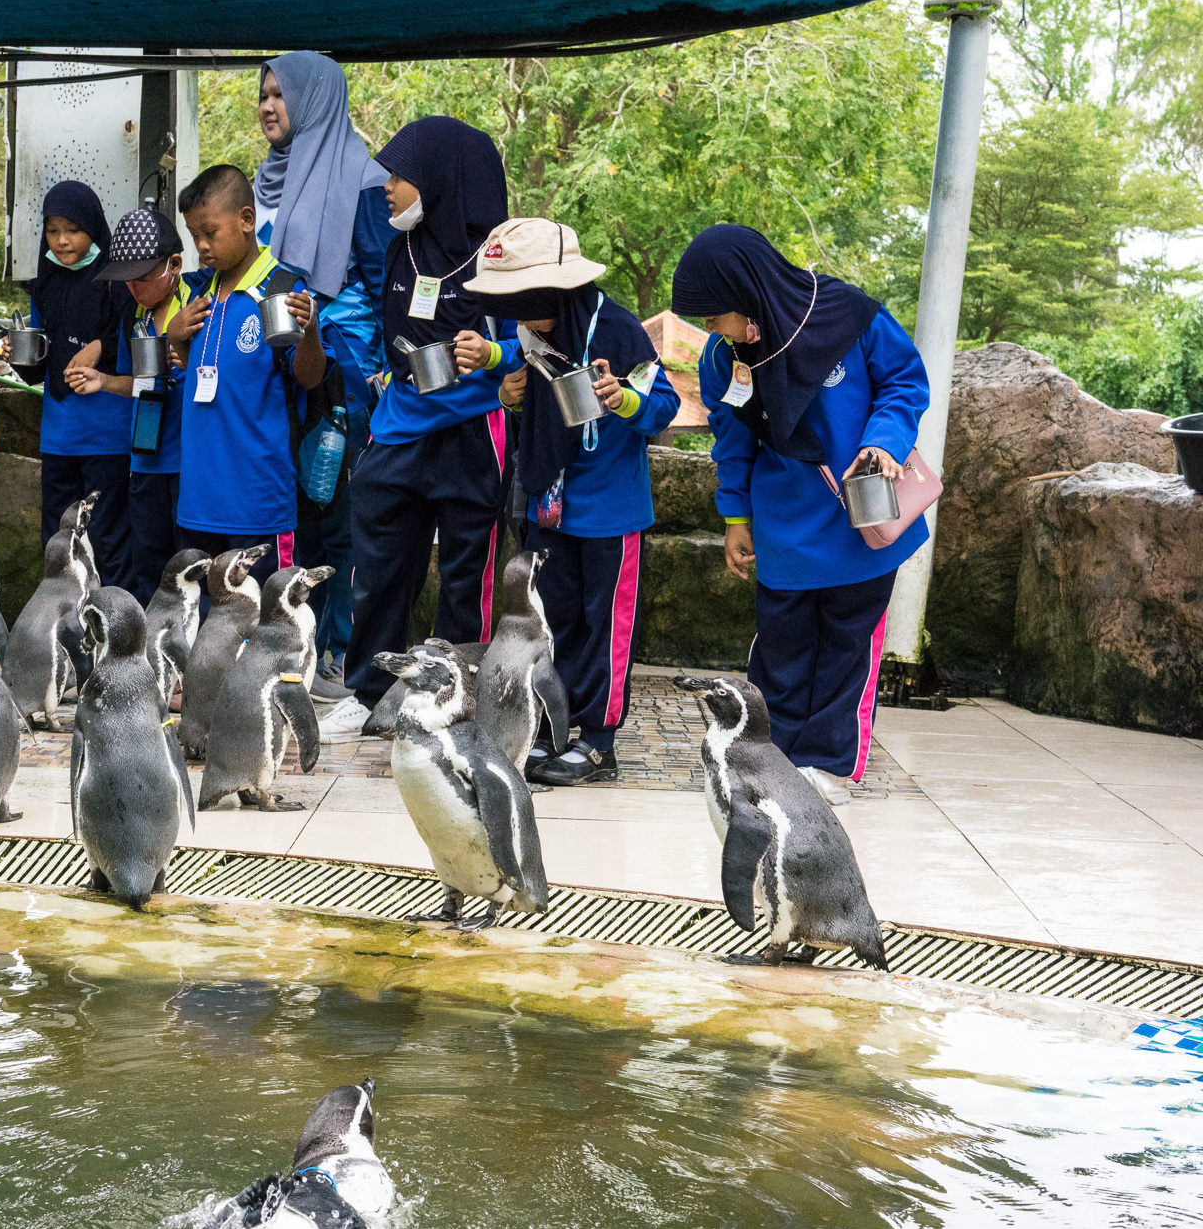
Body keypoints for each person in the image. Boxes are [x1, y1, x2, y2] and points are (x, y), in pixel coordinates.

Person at [671, 223, 930, 807]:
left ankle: (833, 766)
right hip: (785, 527)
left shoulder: (850, 315)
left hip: (861, 518)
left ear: (747, 294)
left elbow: (904, 381)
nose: (711, 332)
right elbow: (731, 439)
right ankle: (774, 759)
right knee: (781, 652)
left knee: (847, 647)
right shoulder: (723, 358)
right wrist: (735, 517)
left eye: (714, 317)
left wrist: (885, 441)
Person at [465, 218, 682, 786]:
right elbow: (517, 368)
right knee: (551, 623)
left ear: (551, 291)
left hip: (610, 511)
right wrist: (505, 388)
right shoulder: (536, 331)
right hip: (547, 504)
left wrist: (625, 399)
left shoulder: (616, 328)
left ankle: (600, 743)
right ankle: (552, 732)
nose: (509, 311)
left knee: (602, 625)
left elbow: (663, 405)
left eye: (516, 297)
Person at [325, 117, 514, 742]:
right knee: (379, 568)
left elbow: (530, 341)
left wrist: (491, 354)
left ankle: (460, 698)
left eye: (399, 177)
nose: (387, 187)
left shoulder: (500, 255)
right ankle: (368, 689)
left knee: (467, 574)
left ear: (438, 179)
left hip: (471, 429)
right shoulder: (400, 245)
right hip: (400, 426)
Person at [252, 52, 397, 701]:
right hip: (273, 374)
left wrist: (379, 372)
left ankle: (340, 651)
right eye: (263, 94)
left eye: (282, 94)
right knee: (294, 514)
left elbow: (381, 280)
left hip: (345, 380)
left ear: (315, 101)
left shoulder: (361, 182)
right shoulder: (267, 182)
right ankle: (295, 647)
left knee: (341, 520)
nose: (268, 106)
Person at [165, 165, 326, 583]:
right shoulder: (199, 294)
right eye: (194, 235)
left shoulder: (282, 289)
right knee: (202, 633)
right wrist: (176, 334)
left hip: (258, 507)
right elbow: (195, 371)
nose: (201, 246)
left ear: (246, 220)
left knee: (262, 635)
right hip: (198, 502)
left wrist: (310, 332)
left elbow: (309, 378)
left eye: (210, 233)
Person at [71, 206, 202, 606]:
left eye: (142, 278)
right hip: (145, 455)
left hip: (188, 458)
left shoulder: (201, 301)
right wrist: (105, 381)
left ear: (174, 264)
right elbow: (141, 383)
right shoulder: (137, 317)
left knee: (191, 561)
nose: (134, 290)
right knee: (149, 559)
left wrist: (179, 345)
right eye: (126, 281)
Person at [23, 181, 134, 587]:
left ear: (93, 226)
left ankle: (118, 629)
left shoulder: (118, 280)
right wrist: (20, 356)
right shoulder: (45, 282)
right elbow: (39, 364)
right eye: (53, 231)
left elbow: (135, 343)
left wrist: (100, 347)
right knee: (57, 541)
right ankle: (61, 624)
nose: (62, 240)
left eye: (72, 229)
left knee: (109, 540)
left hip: (108, 433)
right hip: (59, 435)